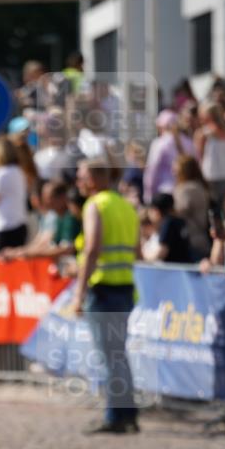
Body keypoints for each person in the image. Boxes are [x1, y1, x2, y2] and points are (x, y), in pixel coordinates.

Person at [73, 158, 141, 434]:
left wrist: (79, 291)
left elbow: (92, 248)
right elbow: (136, 250)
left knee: (108, 356)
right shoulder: (125, 205)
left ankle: (115, 416)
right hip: (125, 288)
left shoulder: (95, 205)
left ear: (94, 178)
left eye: (81, 176)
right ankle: (128, 413)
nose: (79, 182)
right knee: (119, 355)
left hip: (103, 290)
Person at [143, 109, 197, 203]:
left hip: (165, 193)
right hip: (186, 191)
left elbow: (152, 171)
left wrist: (148, 195)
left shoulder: (159, 144)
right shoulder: (188, 142)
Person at [173, 155, 211, 261]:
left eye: (176, 169)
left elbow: (178, 211)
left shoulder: (187, 189)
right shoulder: (200, 186)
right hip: (201, 239)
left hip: (191, 240)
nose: (173, 172)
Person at [196, 102, 225, 207]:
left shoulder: (203, 134)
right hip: (214, 175)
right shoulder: (203, 134)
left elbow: (199, 156)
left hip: (216, 175)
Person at [143, 193, 192, 264]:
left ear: (156, 211)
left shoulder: (168, 223)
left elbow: (160, 254)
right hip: (183, 269)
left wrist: (143, 258)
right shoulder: (180, 221)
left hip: (174, 271)